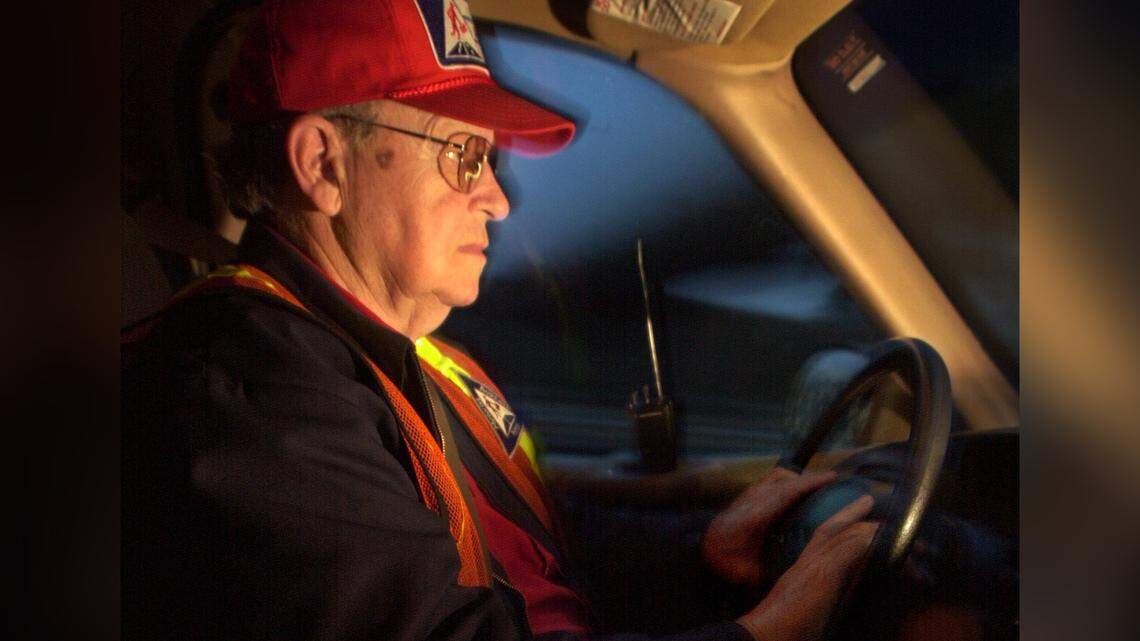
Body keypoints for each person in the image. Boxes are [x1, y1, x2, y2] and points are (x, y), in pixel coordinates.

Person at [121, 1, 878, 639]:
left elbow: (542, 552)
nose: (499, 198)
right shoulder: (246, 389)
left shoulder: (420, 359)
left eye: (486, 157)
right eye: (460, 154)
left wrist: (703, 551)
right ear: (323, 163)